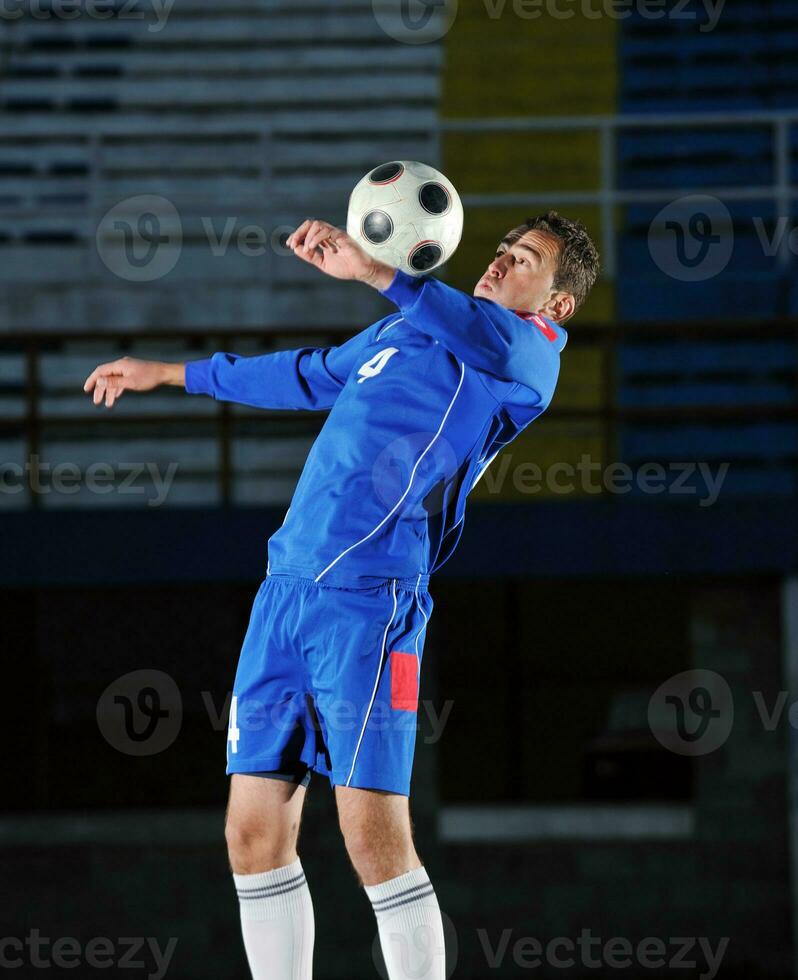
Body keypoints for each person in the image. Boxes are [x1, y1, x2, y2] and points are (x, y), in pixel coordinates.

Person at [83, 210, 600, 980]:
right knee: (253, 836)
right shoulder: (408, 331)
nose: (497, 263)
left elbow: (467, 323)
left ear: (557, 304)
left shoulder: (524, 357)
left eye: (523, 260)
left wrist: (376, 271)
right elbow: (309, 372)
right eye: (500, 250)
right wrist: (170, 373)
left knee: (373, 842)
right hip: (285, 590)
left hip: (372, 603)